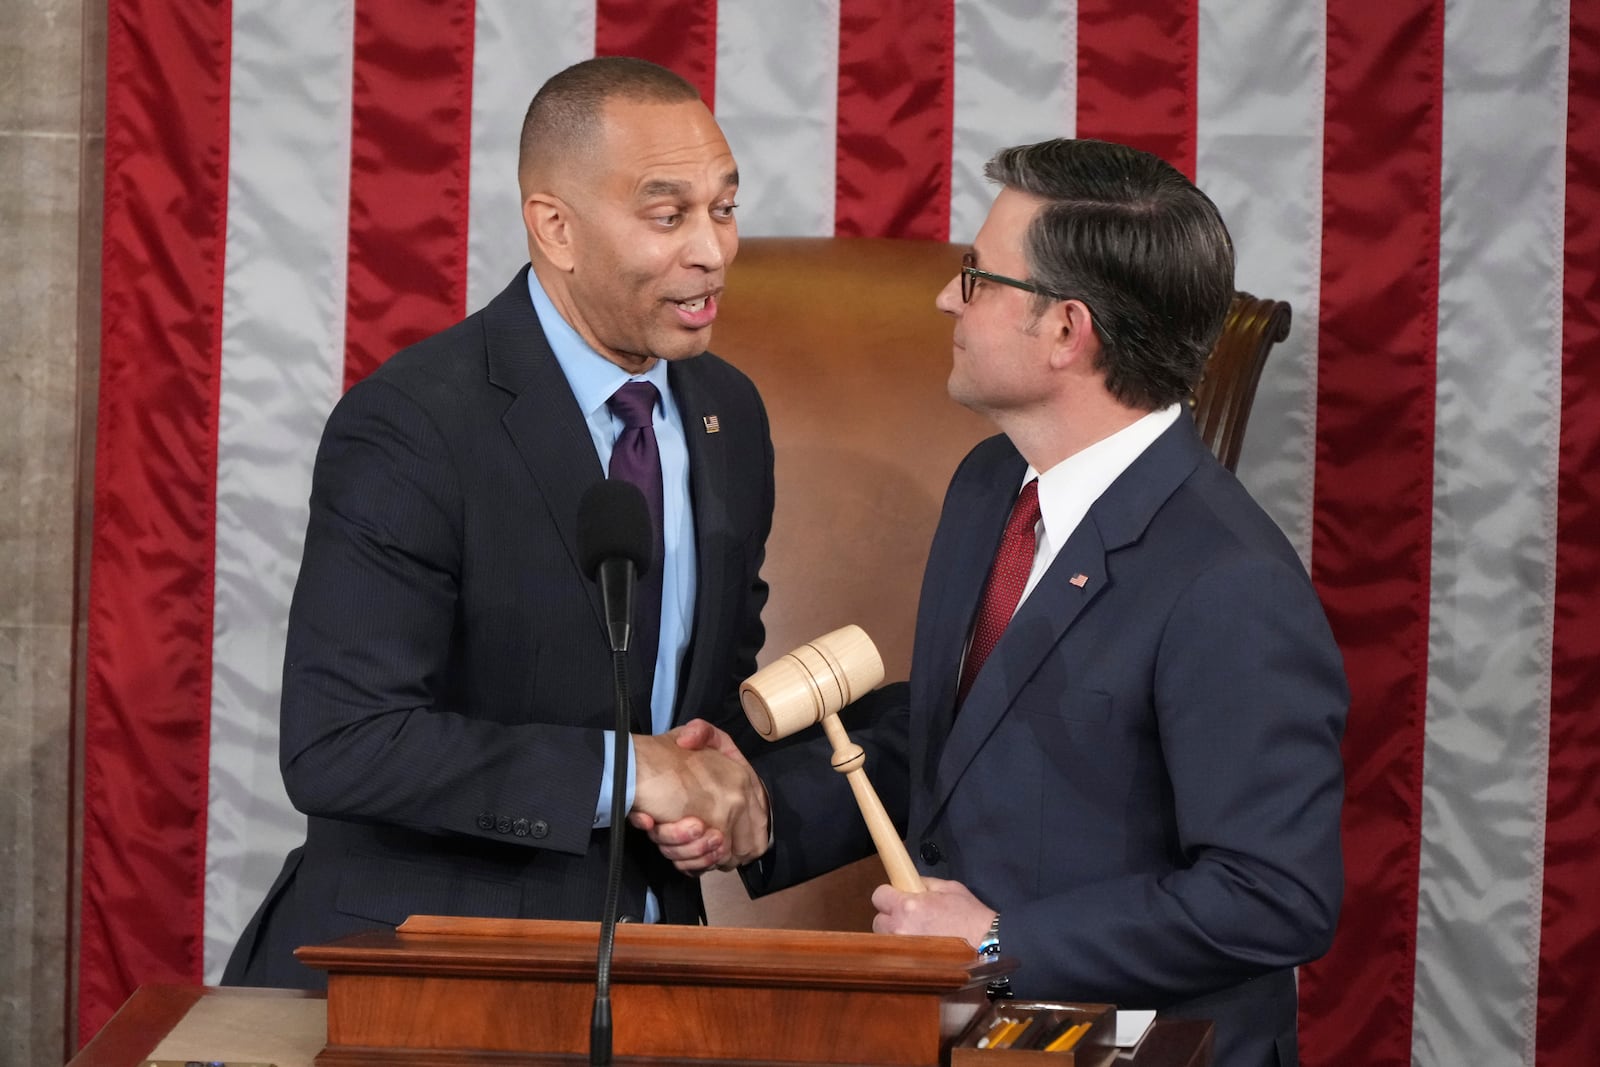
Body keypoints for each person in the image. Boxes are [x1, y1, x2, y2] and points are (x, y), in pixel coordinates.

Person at [647, 138, 1348, 1067]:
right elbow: (961, 741)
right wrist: (765, 806)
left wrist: (997, 940)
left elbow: (1273, 896)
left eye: (976, 276)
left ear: (1067, 329)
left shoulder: (1231, 583)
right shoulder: (993, 484)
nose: (947, 296)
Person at [223, 56, 774, 990]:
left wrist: (743, 790)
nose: (713, 251)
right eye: (667, 213)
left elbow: (701, 700)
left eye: (722, 207)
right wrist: (624, 773)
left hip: (653, 975)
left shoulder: (729, 412)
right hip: (427, 977)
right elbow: (342, 744)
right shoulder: (415, 422)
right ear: (554, 227)